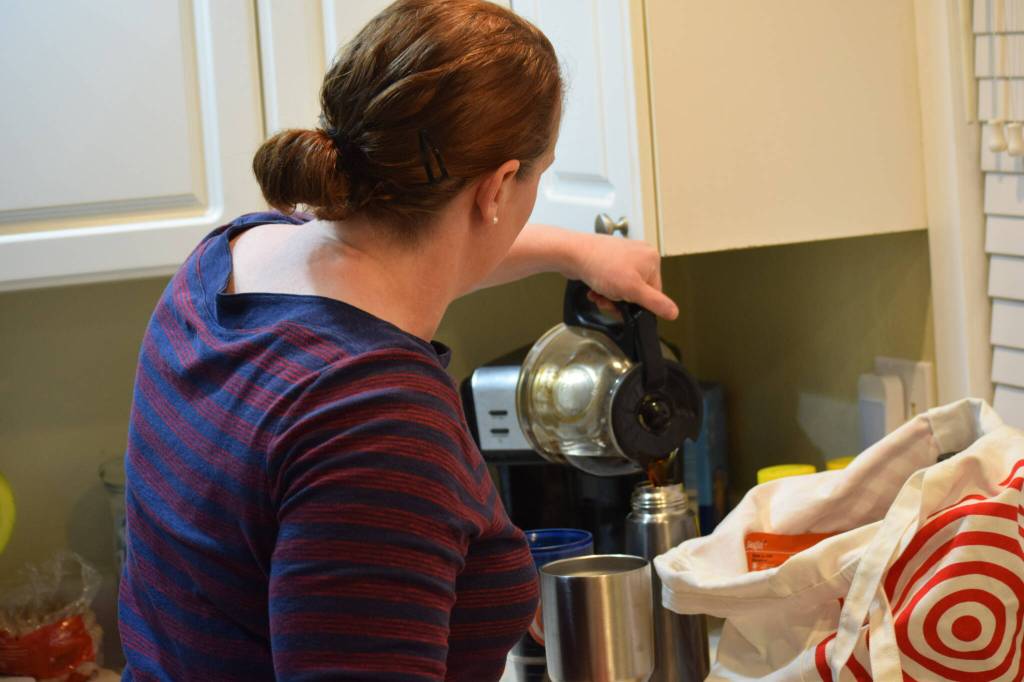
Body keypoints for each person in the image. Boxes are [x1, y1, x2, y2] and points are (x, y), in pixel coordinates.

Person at [118, 1, 678, 680]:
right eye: (539, 171)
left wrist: (575, 252)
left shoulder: (225, 259)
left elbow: (422, 250)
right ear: (498, 186)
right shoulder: (375, 420)